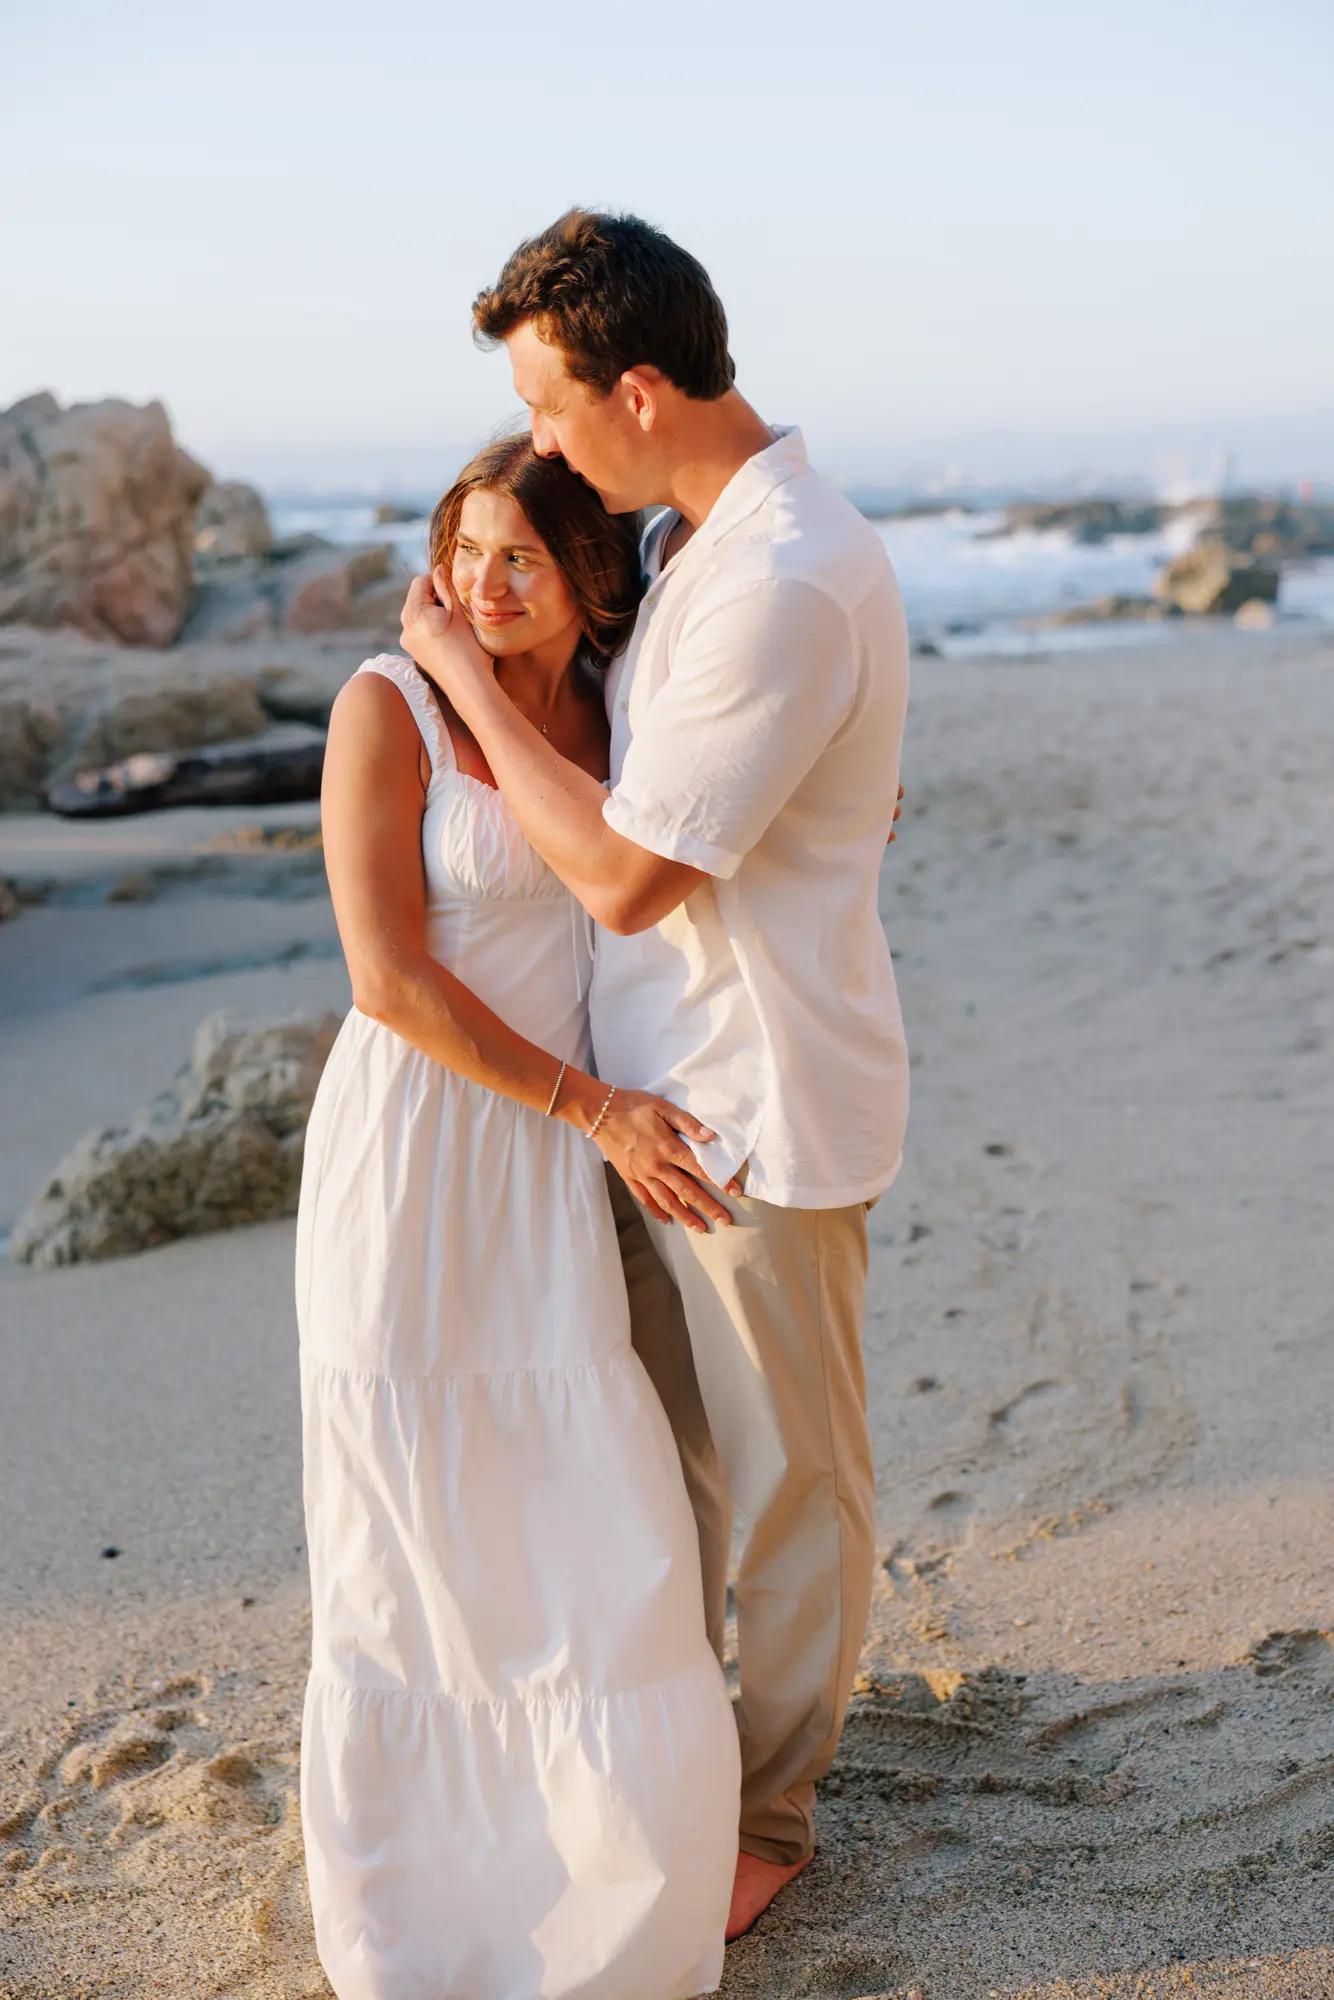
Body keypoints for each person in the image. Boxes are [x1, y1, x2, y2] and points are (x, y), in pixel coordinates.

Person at [399, 208, 910, 1941]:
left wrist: (458, 673)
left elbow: (625, 874)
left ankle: (767, 1817)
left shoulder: (778, 574)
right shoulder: (696, 543)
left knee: (787, 1489)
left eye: (547, 408)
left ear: (633, 390)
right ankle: (685, 1764)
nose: (539, 448)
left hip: (754, 1105)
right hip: (648, 1096)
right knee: (663, 1467)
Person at [296, 433, 740, 2000]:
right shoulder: (388, 706)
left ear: (588, 578)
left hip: (551, 1176)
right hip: (419, 1155)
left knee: (580, 1503)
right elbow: (386, 980)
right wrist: (593, 1109)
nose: (482, 586)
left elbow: (714, 816)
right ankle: (427, 1907)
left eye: (521, 558)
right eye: (464, 552)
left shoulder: (621, 710)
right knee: (415, 1522)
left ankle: (611, 1879)